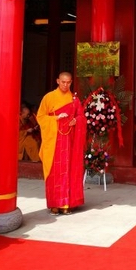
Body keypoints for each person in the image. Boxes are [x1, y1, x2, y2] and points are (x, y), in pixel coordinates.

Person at [37, 72, 86, 215]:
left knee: (68, 171)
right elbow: (40, 117)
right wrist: (56, 118)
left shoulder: (74, 99)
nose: (65, 85)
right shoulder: (49, 97)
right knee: (54, 172)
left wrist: (76, 121)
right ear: (57, 81)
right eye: (63, 82)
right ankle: (54, 204)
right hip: (54, 140)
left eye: (68, 82)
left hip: (69, 141)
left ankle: (66, 204)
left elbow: (81, 116)